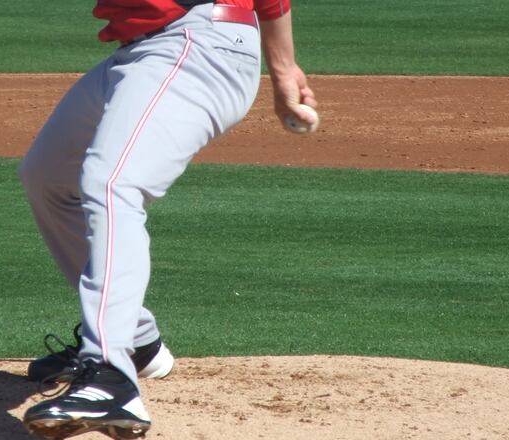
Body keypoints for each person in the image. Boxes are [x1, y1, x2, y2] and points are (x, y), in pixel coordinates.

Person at [18, 0, 317, 438]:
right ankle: (136, 341)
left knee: (112, 183)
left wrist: (284, 65)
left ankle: (109, 374)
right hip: (136, 53)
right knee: (47, 177)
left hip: (198, 45)